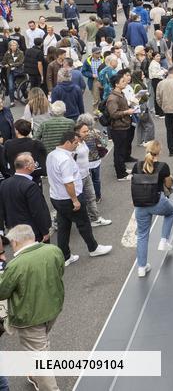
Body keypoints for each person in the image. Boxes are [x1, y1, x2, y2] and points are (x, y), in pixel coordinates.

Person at [0, 224, 65, 391]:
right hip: (52, 309)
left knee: (39, 354)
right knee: (41, 344)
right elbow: (60, 271)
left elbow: (2, 292)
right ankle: (35, 375)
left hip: (30, 318)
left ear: (15, 242)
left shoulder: (15, 265)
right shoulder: (53, 250)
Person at [47, 130, 113, 266]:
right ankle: (93, 248)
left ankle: (65, 256)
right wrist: (75, 200)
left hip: (56, 197)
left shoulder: (52, 155)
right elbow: (68, 182)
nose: (77, 145)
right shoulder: (65, 159)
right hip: (69, 198)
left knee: (64, 226)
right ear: (67, 142)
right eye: (75, 143)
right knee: (84, 223)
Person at [131, 140, 173, 278]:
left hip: (140, 205)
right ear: (159, 151)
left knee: (142, 235)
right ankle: (164, 240)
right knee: (172, 212)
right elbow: (168, 184)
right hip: (157, 202)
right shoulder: (163, 167)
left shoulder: (136, 166)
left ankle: (141, 268)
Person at [0, 152, 51, 240]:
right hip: (32, 232)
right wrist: (45, 231)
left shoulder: (4, 183)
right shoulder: (30, 186)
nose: (35, 164)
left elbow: (2, 208)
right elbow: (37, 211)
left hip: (14, 231)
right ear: (28, 166)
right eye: (33, 162)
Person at [105, 72, 139, 180]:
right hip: (118, 127)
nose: (125, 83)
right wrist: (126, 112)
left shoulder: (121, 94)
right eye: (122, 81)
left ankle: (122, 169)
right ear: (116, 84)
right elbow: (113, 114)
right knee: (119, 151)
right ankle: (121, 174)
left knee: (122, 150)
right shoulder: (113, 98)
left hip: (124, 125)